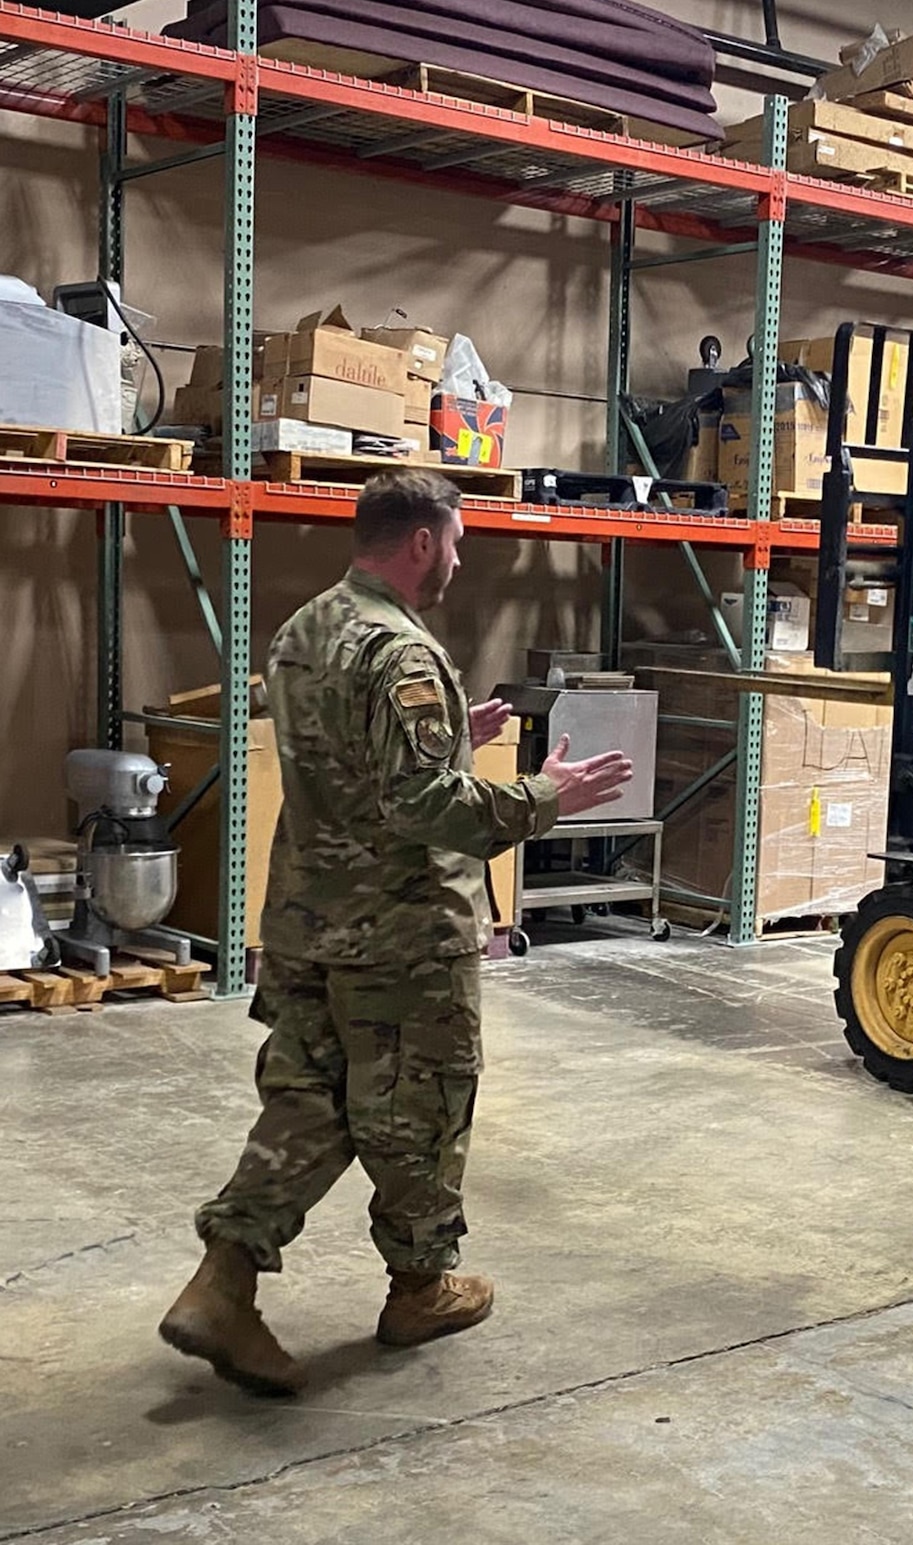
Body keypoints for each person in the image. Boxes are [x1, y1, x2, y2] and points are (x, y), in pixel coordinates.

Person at [158, 468, 633, 1396]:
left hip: (306, 922)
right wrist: (546, 796)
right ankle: (421, 1286)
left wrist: (460, 729)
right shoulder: (402, 653)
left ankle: (224, 1279)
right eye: (455, 542)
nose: (457, 558)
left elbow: (355, 762)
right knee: (421, 1106)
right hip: (402, 934)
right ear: (422, 541)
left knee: (312, 1097)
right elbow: (424, 807)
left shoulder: (306, 630)